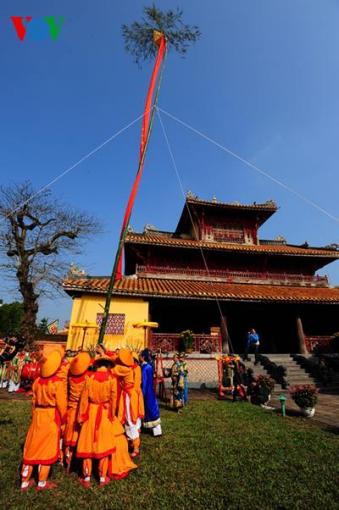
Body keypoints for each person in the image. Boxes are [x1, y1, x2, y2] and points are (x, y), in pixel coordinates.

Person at [76, 355, 136, 487]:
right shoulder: (112, 379)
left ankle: (86, 478)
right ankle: (102, 478)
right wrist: (111, 414)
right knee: (103, 444)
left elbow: (84, 400)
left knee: (87, 445)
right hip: (104, 413)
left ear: (97, 365)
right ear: (108, 366)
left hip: (90, 413)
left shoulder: (89, 378)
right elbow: (113, 400)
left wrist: (81, 416)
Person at [20, 350, 67, 491]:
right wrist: (64, 420)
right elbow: (62, 405)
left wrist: (35, 414)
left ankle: (24, 481)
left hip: (38, 416)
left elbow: (33, 402)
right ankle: (42, 482)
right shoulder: (57, 383)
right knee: (46, 449)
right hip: (50, 416)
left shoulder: (37, 382)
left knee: (32, 446)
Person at [63, 351, 91, 471]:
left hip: (71, 407)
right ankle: (76, 461)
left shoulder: (70, 377)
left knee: (69, 432)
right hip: (82, 408)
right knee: (79, 434)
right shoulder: (87, 377)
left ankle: (66, 456)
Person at [140, 348, 162, 436]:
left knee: (150, 409)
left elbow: (144, 381)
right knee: (151, 408)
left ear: (143, 357)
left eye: (140, 355)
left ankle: (157, 430)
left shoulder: (145, 368)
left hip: (147, 391)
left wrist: (142, 392)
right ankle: (155, 429)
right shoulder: (149, 366)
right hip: (150, 391)